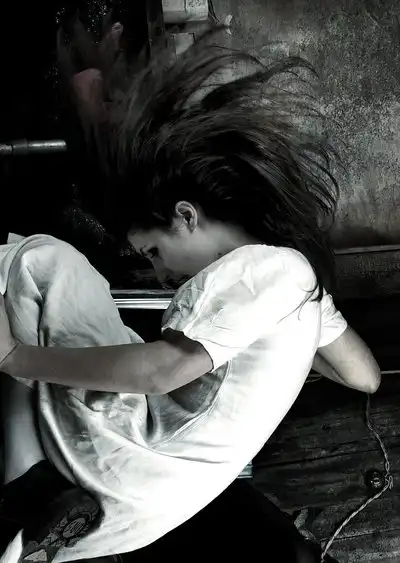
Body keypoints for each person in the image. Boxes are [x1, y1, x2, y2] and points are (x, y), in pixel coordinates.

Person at [0, 25, 380, 563]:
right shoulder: (297, 288)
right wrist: (300, 332)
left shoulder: (265, 268)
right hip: (150, 508)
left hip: (130, 460)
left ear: (185, 215)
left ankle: (23, 477)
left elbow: (162, 372)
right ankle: (33, 484)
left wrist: (16, 358)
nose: (160, 273)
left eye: (154, 251)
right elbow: (365, 376)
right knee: (65, 299)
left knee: (37, 258)